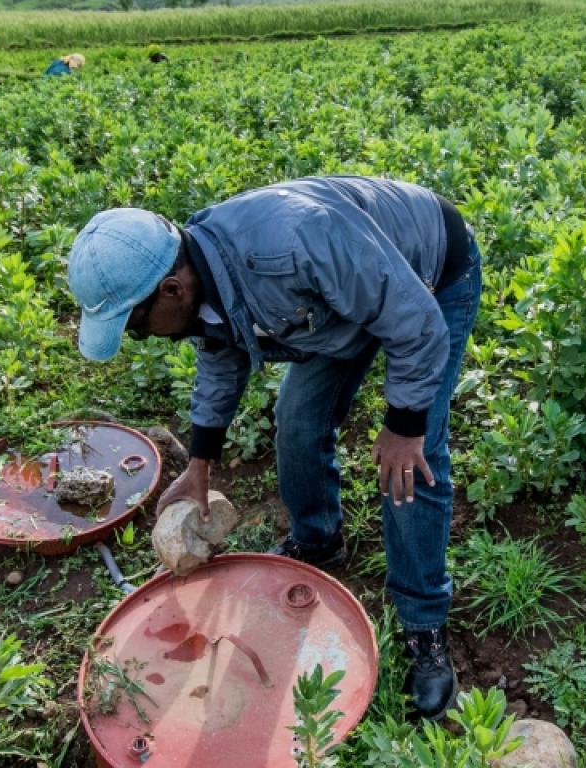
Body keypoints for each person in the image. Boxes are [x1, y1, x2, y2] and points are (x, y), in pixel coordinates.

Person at [66, 176, 480, 720]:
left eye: (137, 328)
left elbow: (416, 327)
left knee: (413, 457)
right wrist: (199, 465)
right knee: (297, 419)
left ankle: (423, 625)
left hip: (430, 280)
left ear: (171, 289)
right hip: (342, 307)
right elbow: (219, 352)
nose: (144, 338)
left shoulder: (295, 243)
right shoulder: (199, 276)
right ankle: (318, 540)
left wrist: (404, 424)